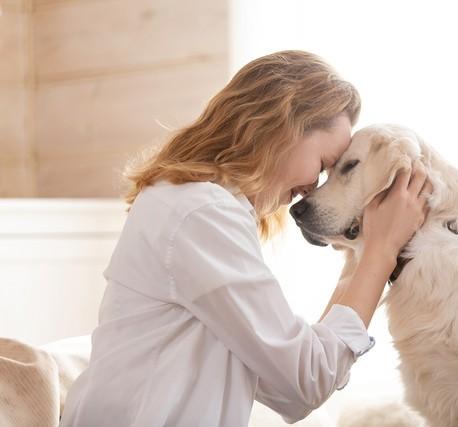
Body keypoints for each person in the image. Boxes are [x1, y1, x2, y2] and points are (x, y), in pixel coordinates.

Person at [60, 50, 429, 427]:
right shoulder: (201, 213)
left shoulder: (194, 204)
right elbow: (306, 381)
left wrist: (364, 251)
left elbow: (288, 381)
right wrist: (381, 253)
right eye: (322, 165)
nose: (311, 189)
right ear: (283, 127)